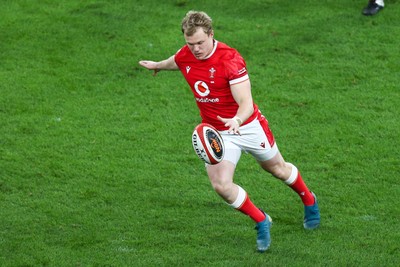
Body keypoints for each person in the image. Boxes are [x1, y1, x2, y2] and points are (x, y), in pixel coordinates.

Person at [138, 11, 320, 252]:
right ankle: (261, 220)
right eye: (190, 44)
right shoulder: (187, 54)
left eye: (201, 43)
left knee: (277, 169)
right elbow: (178, 60)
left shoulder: (230, 60)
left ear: (211, 35)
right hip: (216, 132)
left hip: (246, 126)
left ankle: (309, 199)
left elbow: (245, 102)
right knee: (221, 185)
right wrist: (158, 66)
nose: (196, 49)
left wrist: (237, 119)